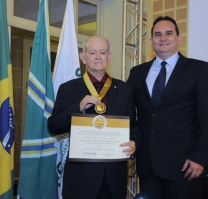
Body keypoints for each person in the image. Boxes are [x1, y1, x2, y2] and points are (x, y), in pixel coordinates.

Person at [126, 16, 208, 199]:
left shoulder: (199, 69)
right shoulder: (137, 73)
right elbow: (128, 112)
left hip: (185, 167)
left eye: (169, 33)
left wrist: (200, 157)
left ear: (179, 38)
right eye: (157, 34)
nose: (163, 38)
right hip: (148, 167)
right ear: (152, 40)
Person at [48, 35, 140, 199]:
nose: (98, 57)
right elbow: (53, 125)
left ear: (109, 57)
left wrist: (134, 142)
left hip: (114, 178)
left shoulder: (125, 90)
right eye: (92, 53)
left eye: (102, 52)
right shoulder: (68, 89)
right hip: (80, 179)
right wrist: (78, 107)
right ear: (83, 57)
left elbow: (132, 126)